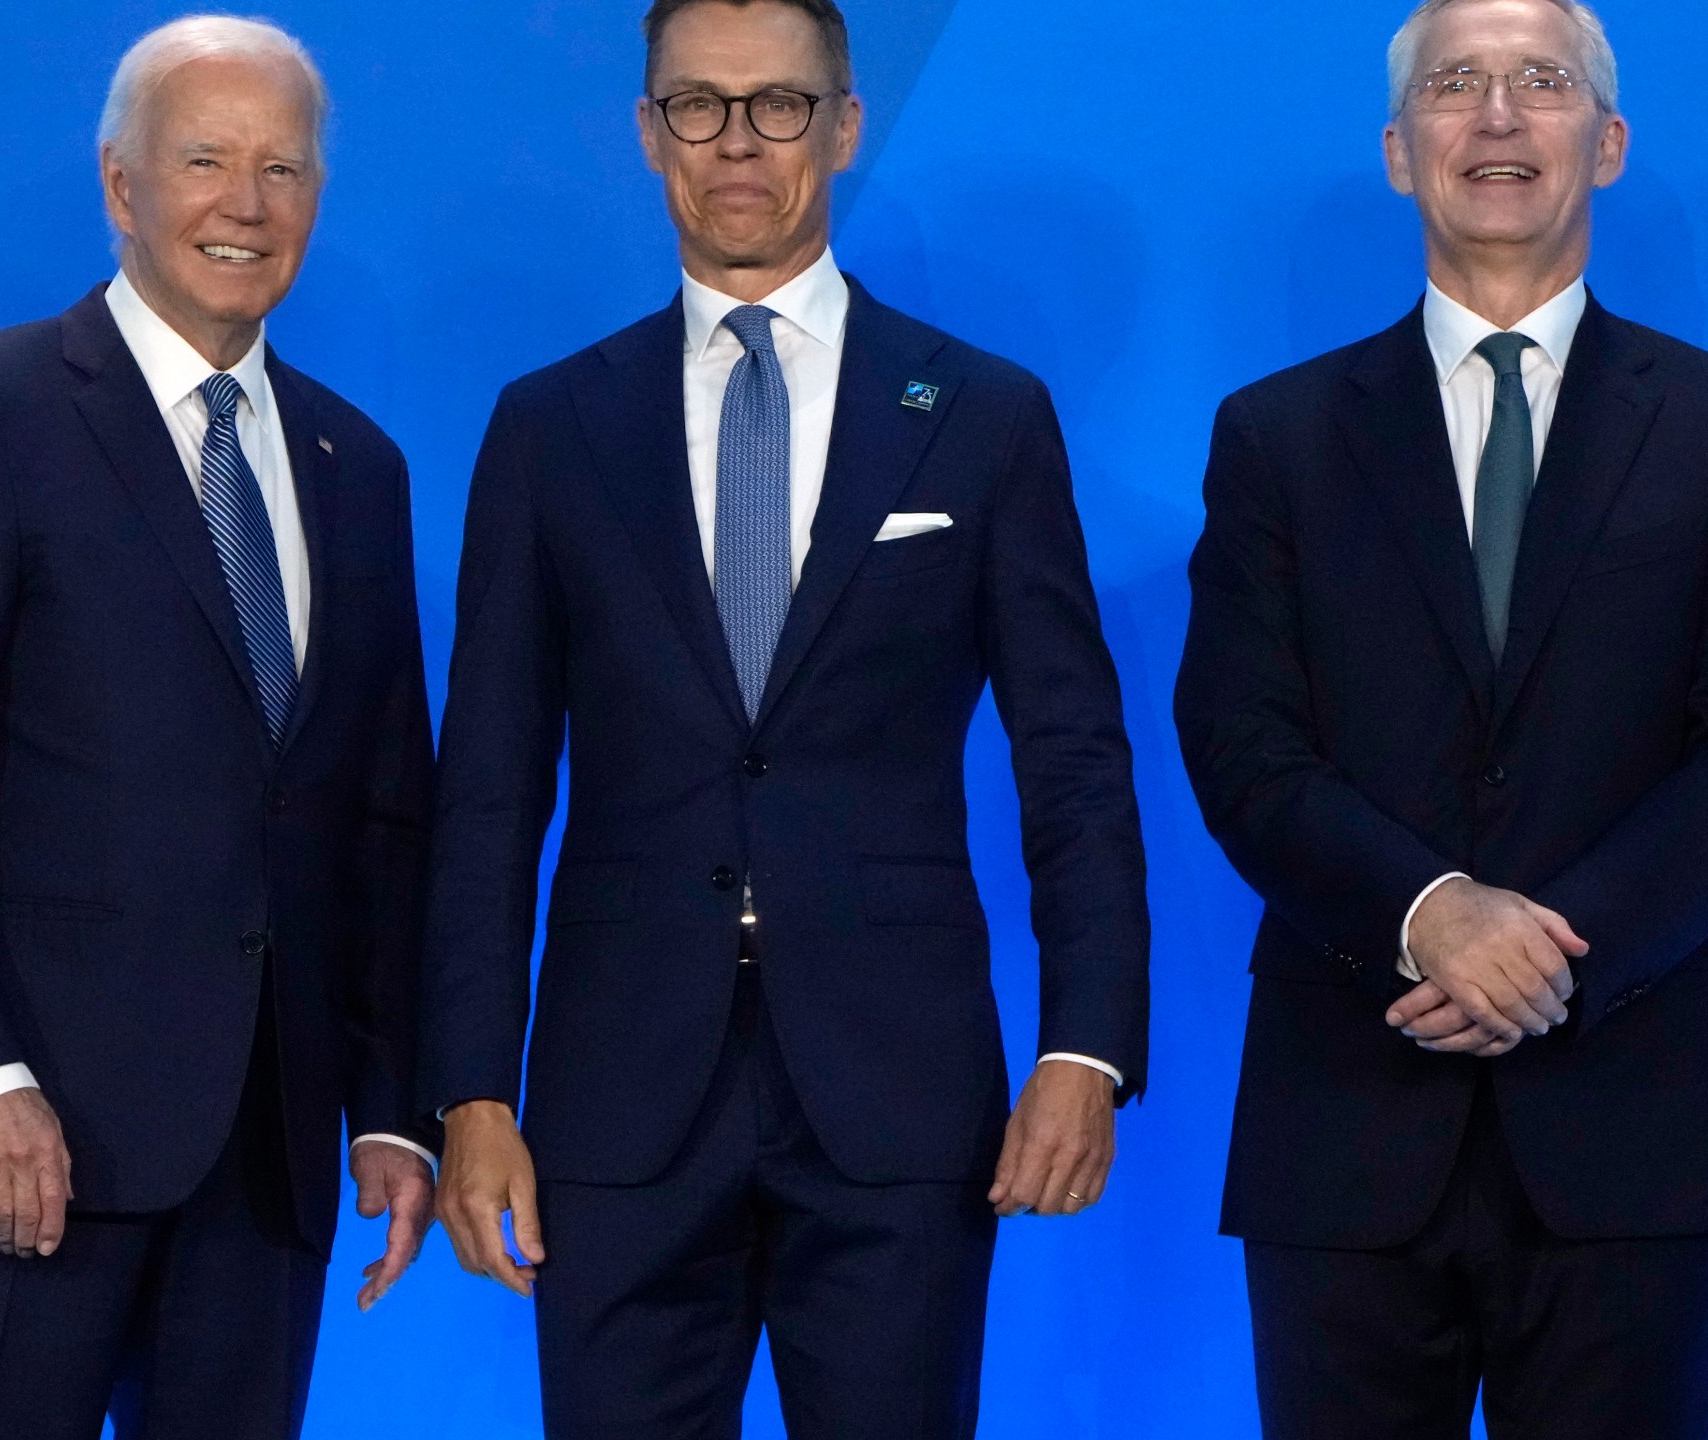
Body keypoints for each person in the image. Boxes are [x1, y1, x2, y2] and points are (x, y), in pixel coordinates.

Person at [417, 1, 1152, 1433]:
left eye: (778, 105)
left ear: (845, 126)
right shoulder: (549, 424)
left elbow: (1071, 759)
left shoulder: (983, 415)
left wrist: (1087, 1046)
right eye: (697, 106)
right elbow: (492, 786)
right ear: (648, 135)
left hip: (898, 1090)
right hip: (619, 1097)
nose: (737, 142)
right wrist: (467, 1090)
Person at [1173, 1, 1708, 1435]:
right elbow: (1241, 740)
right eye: (1456, 86)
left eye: (1543, 82)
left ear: (1609, 141)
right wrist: (1429, 912)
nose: (1500, 115)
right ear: (1401, 152)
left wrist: (1549, 954)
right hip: (1347, 1108)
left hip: (1634, 1109)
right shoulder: (1276, 436)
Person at [0, 17, 437, 1436]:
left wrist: (393, 1107)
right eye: (206, 159)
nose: (247, 204)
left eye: (283, 169)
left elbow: (382, 820)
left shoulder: (360, 466)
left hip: (265, 1161)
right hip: (25, 1150)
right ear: (119, 184)